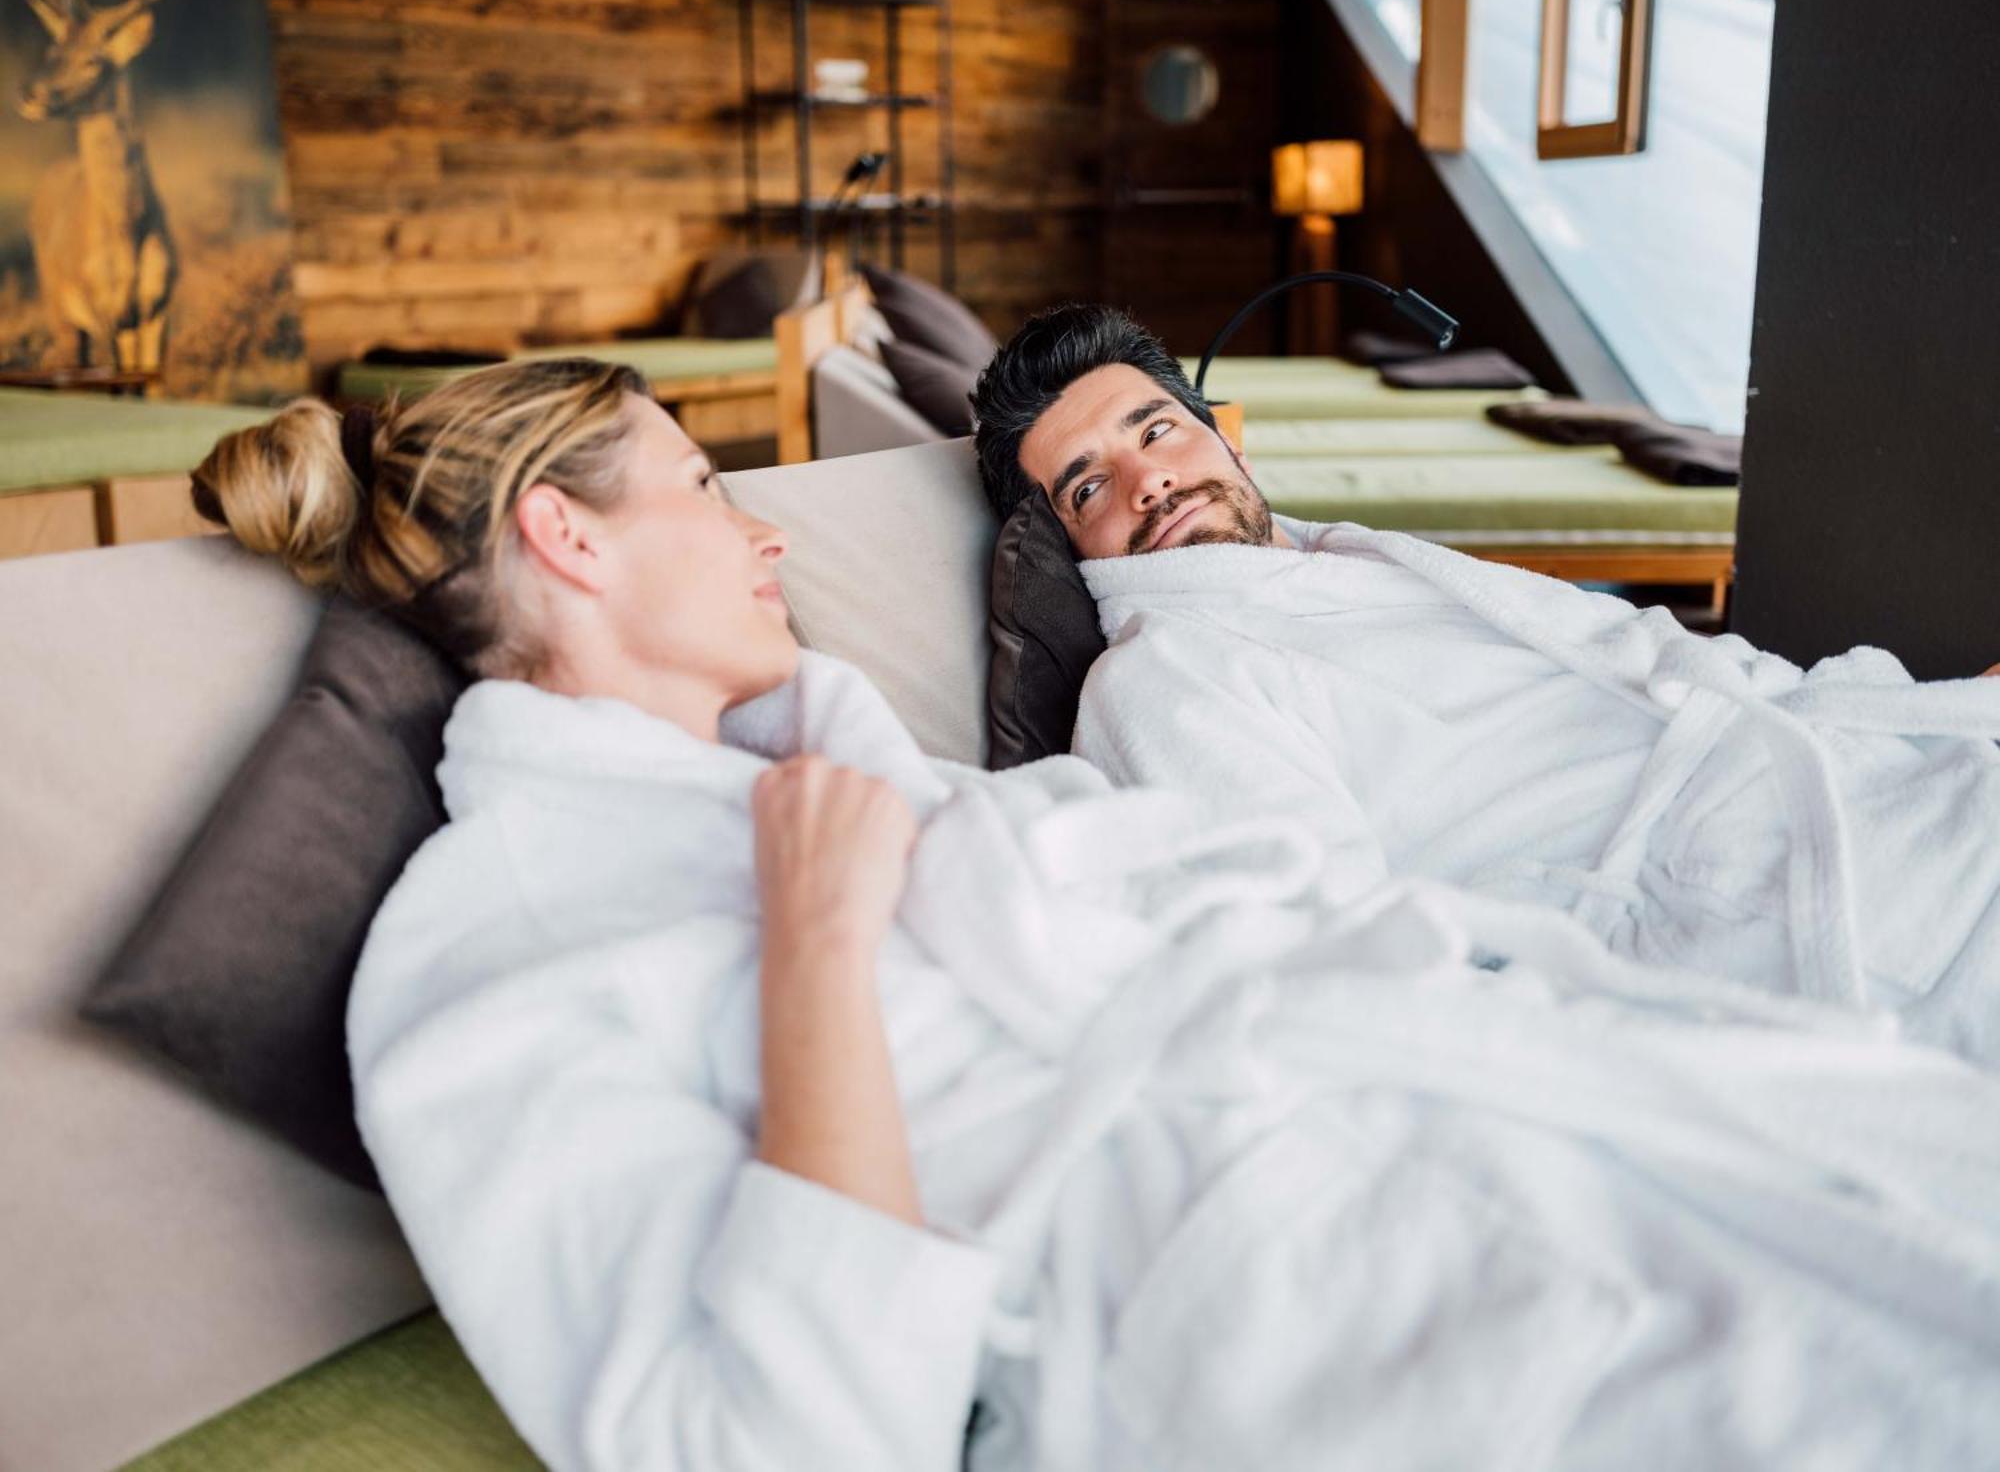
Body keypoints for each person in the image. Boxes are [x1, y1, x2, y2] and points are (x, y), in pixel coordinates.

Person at [193, 358, 2000, 1470]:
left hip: (1469, 1077)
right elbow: (779, 1443)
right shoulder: (486, 951)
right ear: (569, 540)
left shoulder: (844, 776)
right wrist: (817, 954)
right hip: (1278, 1283)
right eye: (707, 485)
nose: (762, 538)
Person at [972, 304, 2000, 1067]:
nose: (1146, 478)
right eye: (1088, 485)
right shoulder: (1162, 676)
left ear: (1223, 436)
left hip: (1833, 768)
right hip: (1751, 903)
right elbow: (1326, 947)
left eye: (1156, 430)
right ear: (1068, 547)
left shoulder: (1346, 556)